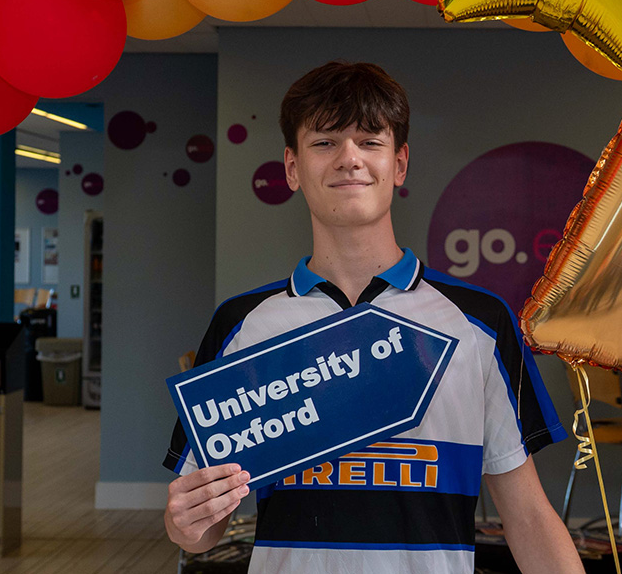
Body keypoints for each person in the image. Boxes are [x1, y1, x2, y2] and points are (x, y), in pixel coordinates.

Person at [161, 61, 584, 573]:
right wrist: (186, 521)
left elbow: (530, 518)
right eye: (324, 142)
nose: (348, 159)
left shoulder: (479, 323)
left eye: (369, 141)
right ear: (292, 168)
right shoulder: (241, 325)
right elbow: (202, 531)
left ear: (399, 164)